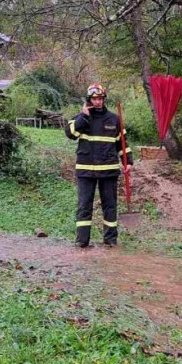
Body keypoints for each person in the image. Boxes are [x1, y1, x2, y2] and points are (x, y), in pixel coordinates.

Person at [65, 83, 133, 247]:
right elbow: (70, 134)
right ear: (89, 100)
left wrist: (127, 161)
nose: (98, 102)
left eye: (100, 99)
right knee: (84, 206)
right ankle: (82, 241)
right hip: (85, 171)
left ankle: (110, 240)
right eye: (94, 99)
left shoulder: (114, 119)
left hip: (108, 171)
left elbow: (122, 143)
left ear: (104, 99)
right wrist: (84, 116)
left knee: (110, 206)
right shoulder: (80, 118)